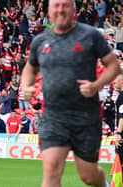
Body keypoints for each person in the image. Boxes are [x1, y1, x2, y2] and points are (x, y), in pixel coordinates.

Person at [21, 0, 120, 186]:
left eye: (65, 5)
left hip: (86, 118)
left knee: (88, 176)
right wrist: (26, 86)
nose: (60, 9)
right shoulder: (40, 41)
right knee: (51, 171)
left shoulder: (90, 35)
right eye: (56, 5)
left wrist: (96, 86)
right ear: (48, 11)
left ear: (74, 10)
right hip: (53, 118)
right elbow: (29, 69)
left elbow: (113, 66)